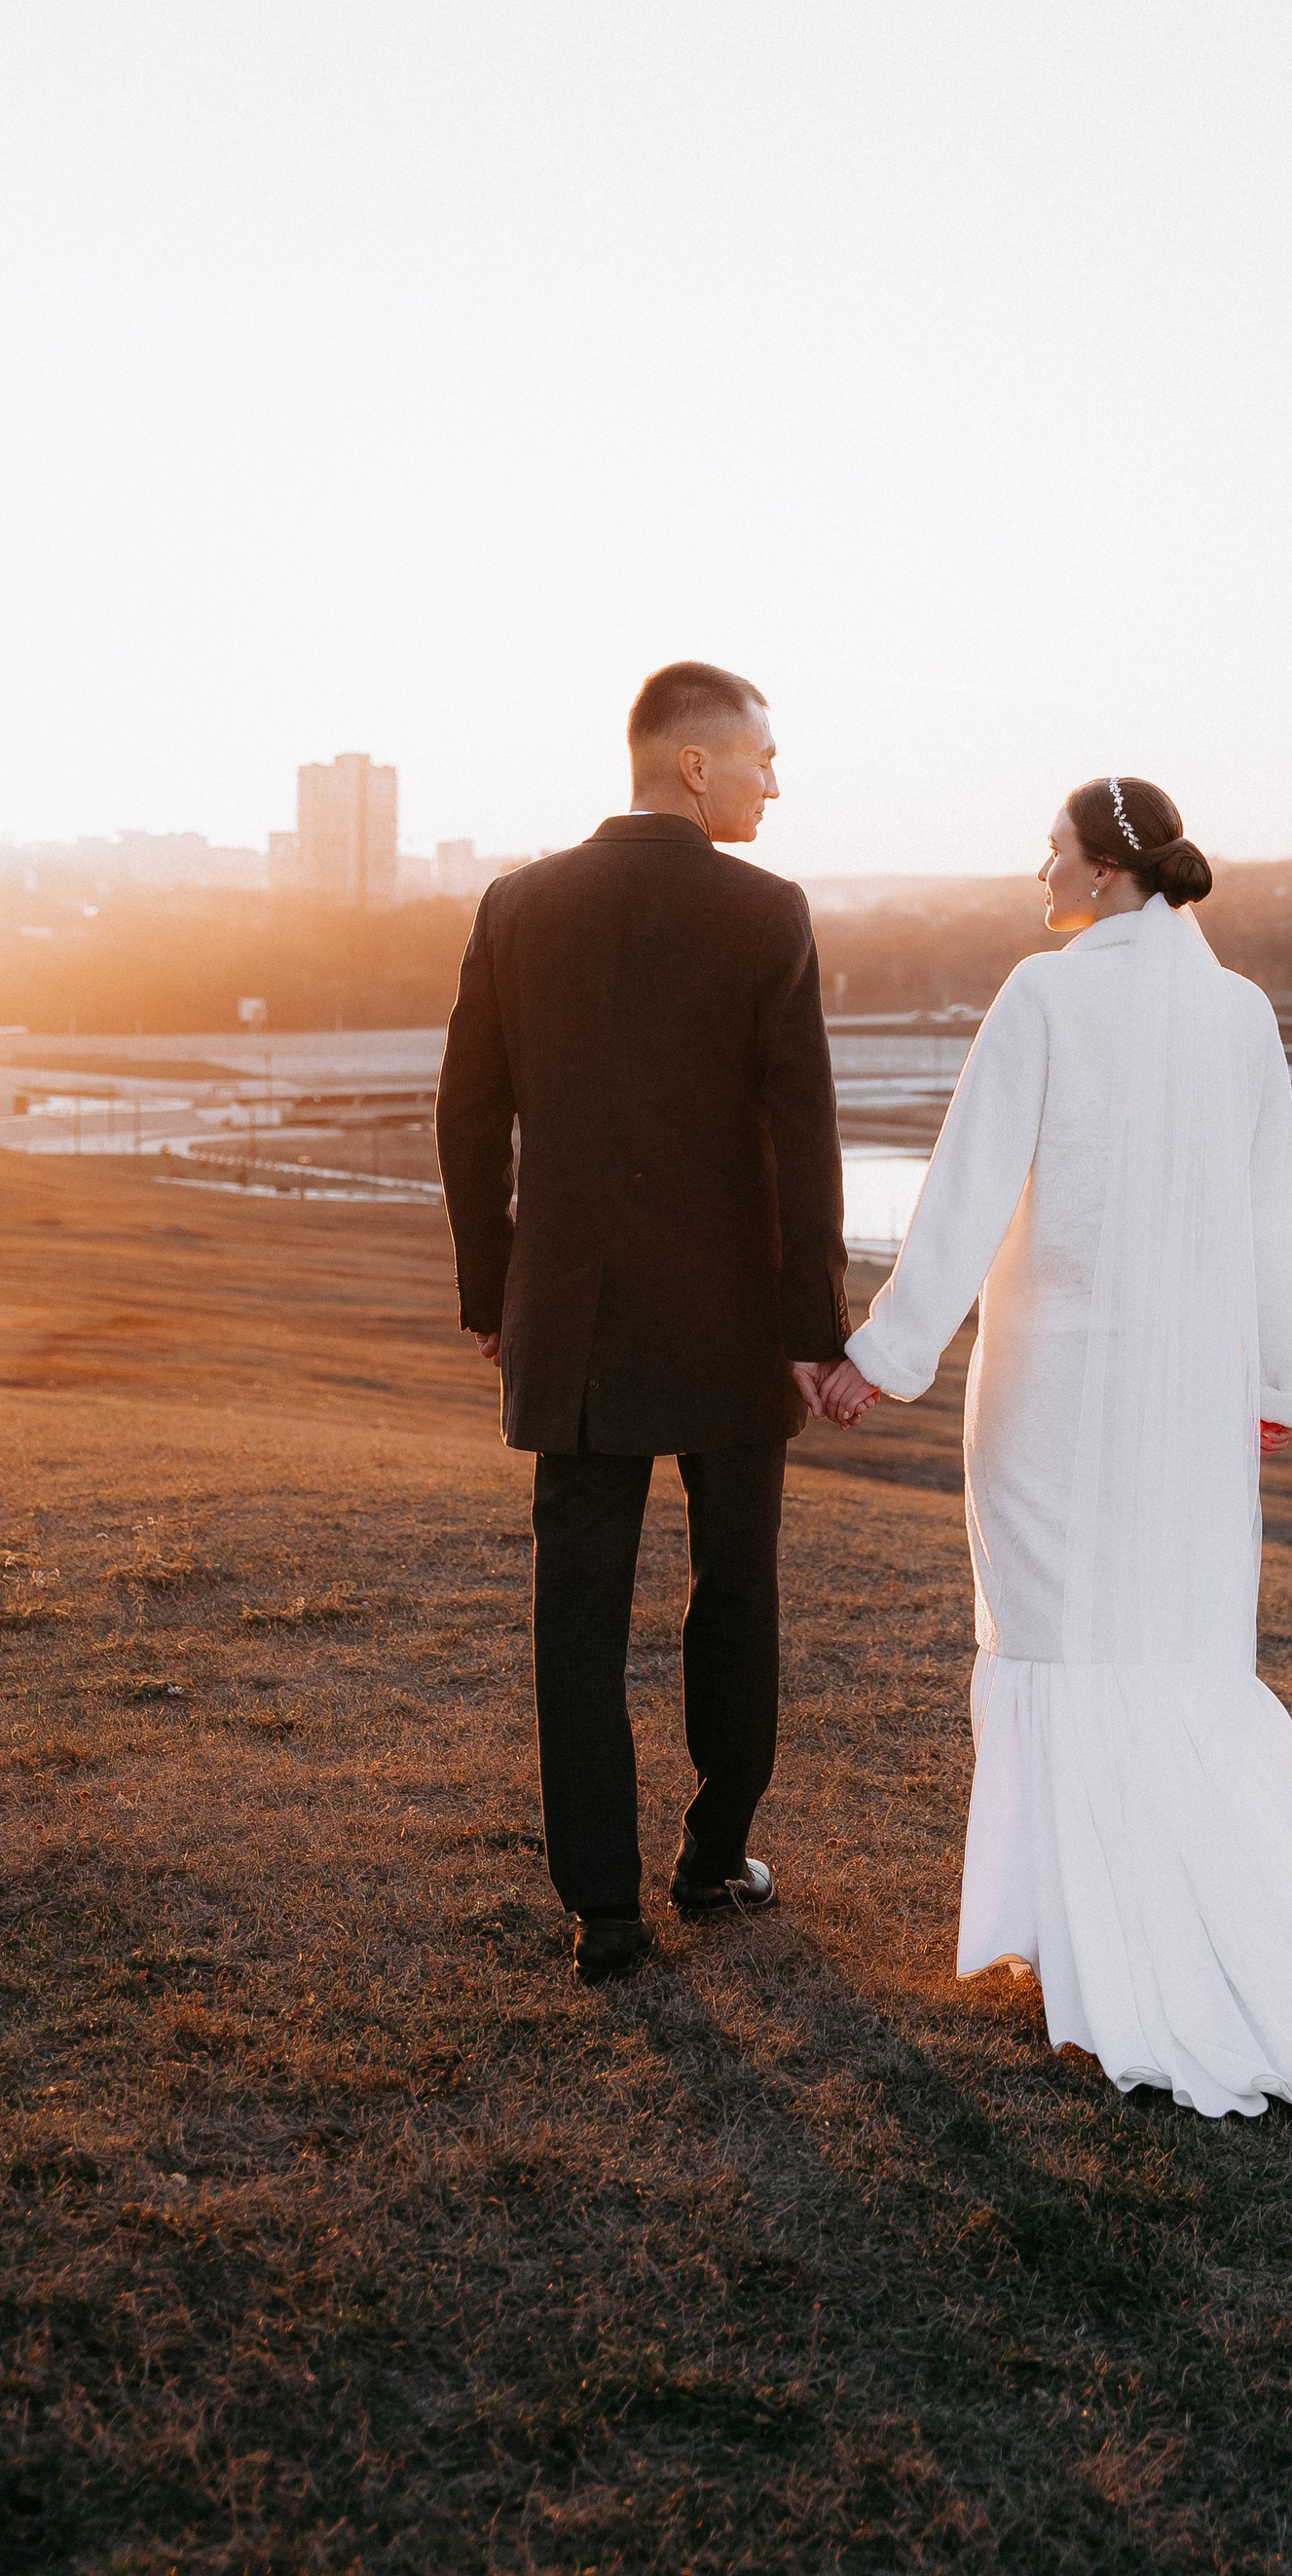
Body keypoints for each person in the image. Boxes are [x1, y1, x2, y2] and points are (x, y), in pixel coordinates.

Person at [820, 777, 1292, 2136]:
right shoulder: (1243, 1012)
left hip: (1057, 1392)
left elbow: (968, 1189)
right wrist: (1272, 1376)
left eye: (1051, 850)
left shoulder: (1043, 993)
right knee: (1169, 1648)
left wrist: (889, 1350)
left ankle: (1099, 1946)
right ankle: (1113, 1929)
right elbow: (1277, 1218)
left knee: (1057, 1641)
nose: (1039, 872)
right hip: (1193, 1401)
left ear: (1103, 873)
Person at [436, 662, 852, 1985]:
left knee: (578, 1614)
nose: (775, 783)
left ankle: (603, 1909)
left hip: (575, 1322)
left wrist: (493, 1293)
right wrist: (815, 1326)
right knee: (736, 1590)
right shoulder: (769, 911)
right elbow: (805, 1133)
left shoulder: (516, 904)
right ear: (694, 764)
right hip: (733, 1327)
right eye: (763, 759)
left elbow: (466, 1116)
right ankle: (714, 1857)